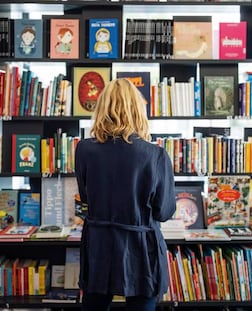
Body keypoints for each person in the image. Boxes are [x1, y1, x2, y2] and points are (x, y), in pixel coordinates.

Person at [75, 78, 176, 311]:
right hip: (141, 249)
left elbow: (87, 198)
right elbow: (163, 211)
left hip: (99, 246)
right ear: (137, 110)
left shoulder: (84, 149)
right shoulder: (155, 154)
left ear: (102, 108)